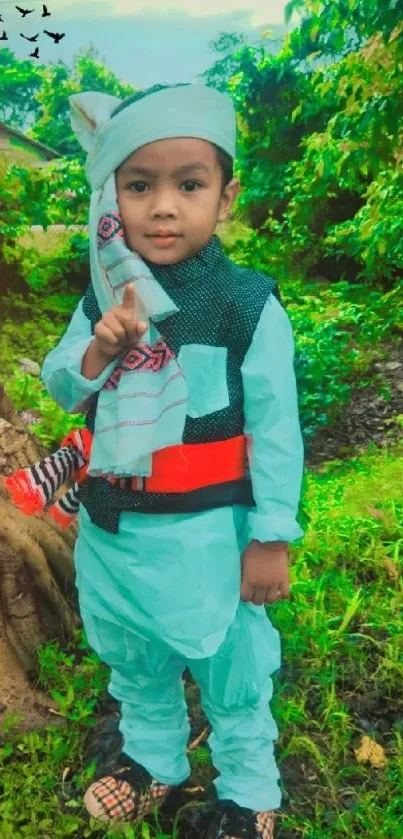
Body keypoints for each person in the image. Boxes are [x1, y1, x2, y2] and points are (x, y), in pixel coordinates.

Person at [40, 82, 305, 839]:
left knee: (229, 664)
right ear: (111, 194)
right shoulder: (101, 296)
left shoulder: (246, 305)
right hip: (116, 529)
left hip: (208, 537)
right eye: (138, 185)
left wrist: (271, 535)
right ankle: (153, 759)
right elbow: (61, 383)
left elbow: (278, 431)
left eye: (188, 184)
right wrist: (100, 347)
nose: (162, 207)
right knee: (136, 656)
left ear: (224, 197)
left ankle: (249, 792)